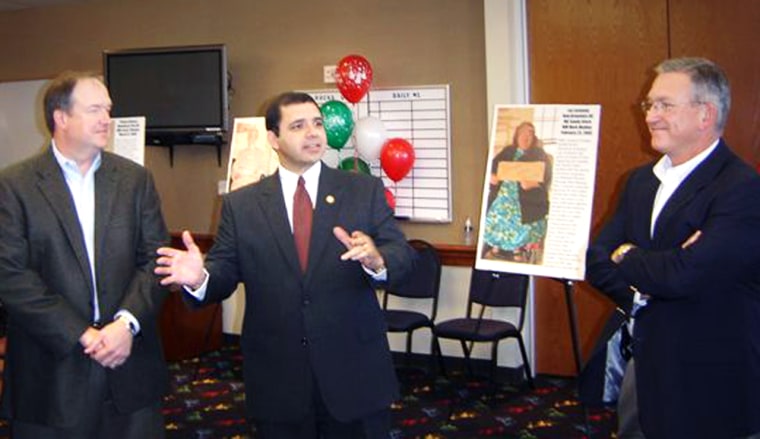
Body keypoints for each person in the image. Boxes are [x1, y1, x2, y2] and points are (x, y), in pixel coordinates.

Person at [155, 91, 414, 439]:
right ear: (273, 139)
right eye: (298, 125)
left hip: (355, 376)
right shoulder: (241, 206)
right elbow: (224, 272)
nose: (313, 133)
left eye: (317, 123)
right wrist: (200, 277)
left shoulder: (362, 190)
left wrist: (378, 259)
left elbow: (402, 253)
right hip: (279, 382)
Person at [585, 57, 760, 438]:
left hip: (711, 378)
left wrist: (627, 254)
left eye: (665, 105)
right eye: (650, 105)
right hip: (644, 366)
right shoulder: (638, 182)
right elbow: (597, 257)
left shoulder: (741, 188)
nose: (651, 116)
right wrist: (645, 290)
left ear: (705, 114)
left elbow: (686, 275)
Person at [0, 72, 170, 437]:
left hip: (130, 366)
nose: (106, 119)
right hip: (50, 372)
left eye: (107, 109)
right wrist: (82, 333)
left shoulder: (134, 180)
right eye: (94, 109)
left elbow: (155, 259)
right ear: (61, 118)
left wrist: (126, 324)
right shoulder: (15, 186)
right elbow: (11, 275)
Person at [483, 121, 552, 263]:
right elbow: (492, 168)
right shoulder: (508, 151)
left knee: (518, 216)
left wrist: (532, 183)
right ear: (517, 136)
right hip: (503, 192)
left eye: (530, 134)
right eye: (523, 133)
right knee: (498, 211)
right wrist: (492, 177)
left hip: (527, 196)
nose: (526, 137)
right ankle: (495, 248)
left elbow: (545, 176)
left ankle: (516, 250)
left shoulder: (539, 154)